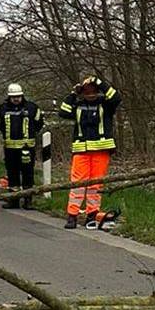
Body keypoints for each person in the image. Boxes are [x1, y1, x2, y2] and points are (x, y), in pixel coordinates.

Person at [58, 75, 121, 230]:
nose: (90, 95)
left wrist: (99, 82)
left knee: (95, 184)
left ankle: (92, 215)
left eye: (93, 92)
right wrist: (73, 94)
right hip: (82, 150)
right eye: (87, 92)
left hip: (101, 150)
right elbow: (63, 111)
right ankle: (72, 216)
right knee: (77, 184)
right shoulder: (78, 106)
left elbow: (116, 97)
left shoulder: (106, 105)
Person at [0, 83, 43, 209]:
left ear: (22, 95)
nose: (16, 99)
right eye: (13, 96)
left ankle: (28, 200)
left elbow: (39, 123)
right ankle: (14, 200)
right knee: (12, 173)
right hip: (10, 148)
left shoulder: (32, 108)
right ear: (9, 97)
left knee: (28, 173)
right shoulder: (3, 108)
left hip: (27, 148)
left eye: (18, 96)